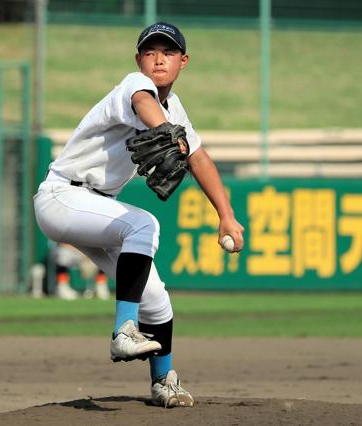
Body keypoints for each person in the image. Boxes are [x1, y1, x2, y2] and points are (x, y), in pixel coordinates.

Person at [33, 22, 244, 408]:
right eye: (150, 51)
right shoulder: (134, 85)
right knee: (144, 224)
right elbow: (144, 105)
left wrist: (226, 215)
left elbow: (198, 158)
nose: (158, 57)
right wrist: (166, 132)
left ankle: (163, 381)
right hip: (61, 196)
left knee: (157, 301)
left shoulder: (175, 108)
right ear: (138, 60)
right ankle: (123, 330)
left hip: (98, 207)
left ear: (184, 61)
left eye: (168, 51)